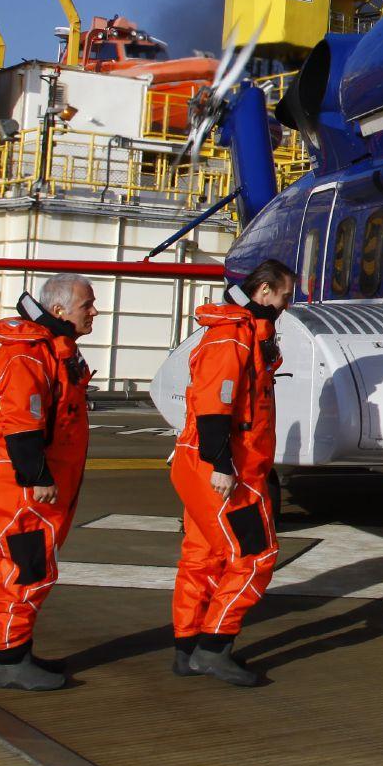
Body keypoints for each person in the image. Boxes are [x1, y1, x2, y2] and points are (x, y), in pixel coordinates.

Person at [170, 258, 294, 687]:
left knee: (202, 556)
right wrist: (221, 464)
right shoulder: (231, 338)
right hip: (225, 471)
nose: (286, 305)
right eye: (284, 296)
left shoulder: (245, 335)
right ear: (265, 292)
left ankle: (187, 648)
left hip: (205, 465)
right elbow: (214, 406)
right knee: (254, 555)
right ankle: (213, 648)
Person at [0, 275, 96, 691]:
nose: (94, 312)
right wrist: (37, 476)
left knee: (32, 570)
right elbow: (22, 421)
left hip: (34, 485)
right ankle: (10, 661)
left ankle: (18, 651)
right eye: (87, 305)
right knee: (24, 570)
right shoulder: (28, 356)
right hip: (20, 489)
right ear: (58, 311)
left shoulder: (50, 352)